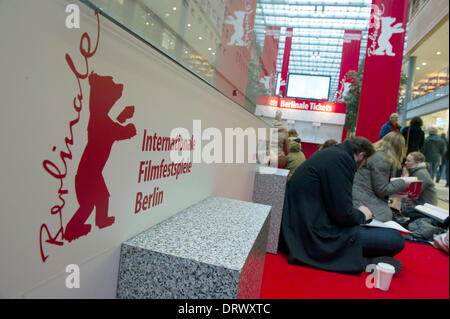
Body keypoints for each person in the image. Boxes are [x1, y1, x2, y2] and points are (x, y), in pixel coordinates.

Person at [279, 136, 405, 274]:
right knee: (395, 239)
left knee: (388, 237)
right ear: (362, 155)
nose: (361, 168)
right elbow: (343, 215)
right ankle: (363, 261)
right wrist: (363, 215)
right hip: (315, 233)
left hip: (306, 224)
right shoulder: (342, 160)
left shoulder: (336, 155)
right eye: (364, 164)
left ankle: (364, 258)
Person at [353, 132, 410, 222]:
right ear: (399, 148)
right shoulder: (383, 159)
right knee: (386, 215)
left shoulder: (374, 154)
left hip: (358, 196)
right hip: (364, 201)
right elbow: (382, 189)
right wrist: (403, 183)